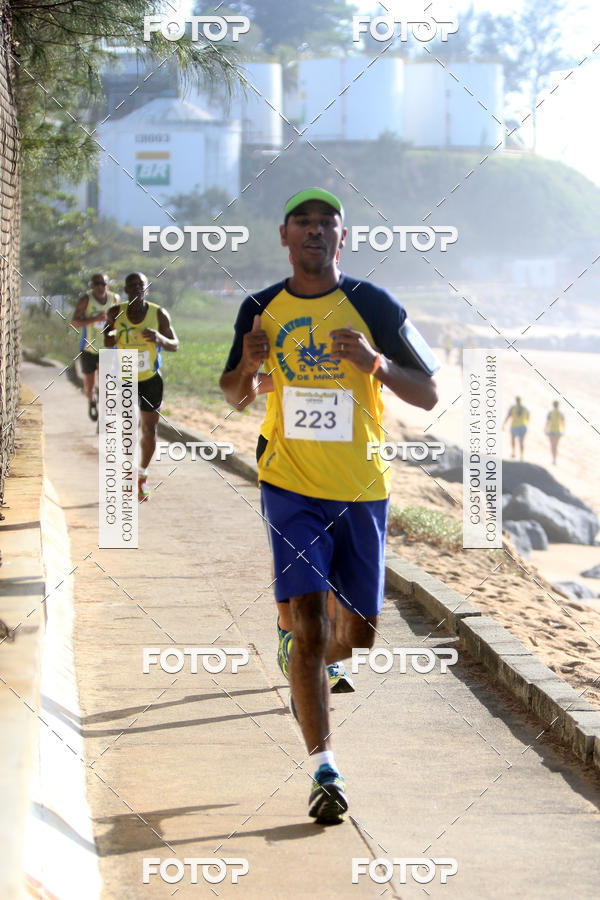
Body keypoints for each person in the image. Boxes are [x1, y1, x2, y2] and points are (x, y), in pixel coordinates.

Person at [220, 188, 438, 825]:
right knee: (311, 623)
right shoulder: (259, 308)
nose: (315, 232)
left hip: (361, 488)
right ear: (283, 236)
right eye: (303, 224)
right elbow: (234, 393)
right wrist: (249, 367)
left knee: (358, 636)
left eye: (327, 224)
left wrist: (375, 365)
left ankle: (303, 655)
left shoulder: (375, 305)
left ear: (343, 239)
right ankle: (324, 768)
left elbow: (428, 393)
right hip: (288, 483)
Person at [256, 377, 354, 695]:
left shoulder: (363, 329)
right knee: (291, 549)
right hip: (284, 451)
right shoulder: (274, 326)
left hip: (343, 453)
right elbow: (243, 388)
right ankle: (289, 631)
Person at [104, 273, 179, 501]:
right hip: (124, 377)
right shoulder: (116, 312)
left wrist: (159, 338)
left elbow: (175, 345)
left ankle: (142, 474)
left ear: (146, 289)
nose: (137, 288)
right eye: (132, 285)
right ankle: (127, 475)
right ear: (126, 290)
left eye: (141, 285)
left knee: (149, 430)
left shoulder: (158, 314)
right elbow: (107, 341)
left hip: (150, 379)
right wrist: (111, 333)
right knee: (127, 429)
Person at [71, 274, 120, 421]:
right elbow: (74, 322)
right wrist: (95, 319)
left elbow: (120, 319)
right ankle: (92, 401)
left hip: (107, 348)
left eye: (103, 283)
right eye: (97, 284)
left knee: (106, 383)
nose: (100, 287)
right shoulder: (85, 300)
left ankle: (105, 416)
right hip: (88, 348)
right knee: (89, 385)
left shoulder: (114, 299)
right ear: (92, 286)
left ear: (107, 285)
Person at [504, 396, 529, 460]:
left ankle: (513, 452)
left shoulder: (513, 408)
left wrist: (504, 424)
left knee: (513, 440)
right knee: (521, 441)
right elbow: (528, 417)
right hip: (523, 426)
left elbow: (508, 416)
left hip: (514, 425)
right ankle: (521, 455)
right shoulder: (525, 408)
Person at [545, 400, 565, 465]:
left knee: (552, 446)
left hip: (551, 430)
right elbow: (563, 423)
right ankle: (555, 459)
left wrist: (546, 429)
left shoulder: (550, 413)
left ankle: (553, 459)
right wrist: (563, 430)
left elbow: (548, 422)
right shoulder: (560, 413)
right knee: (556, 445)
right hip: (558, 430)